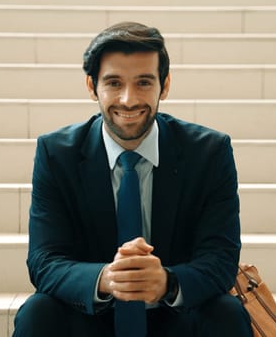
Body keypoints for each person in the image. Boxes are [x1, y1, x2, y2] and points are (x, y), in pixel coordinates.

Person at [13, 21, 252, 337]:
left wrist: (166, 282)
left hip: (176, 315)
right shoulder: (56, 153)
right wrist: (108, 279)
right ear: (91, 86)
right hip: (91, 317)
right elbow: (45, 260)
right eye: (113, 83)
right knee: (38, 312)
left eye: (143, 82)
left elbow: (220, 258)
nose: (128, 99)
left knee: (226, 313)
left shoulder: (209, 152)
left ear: (164, 86)